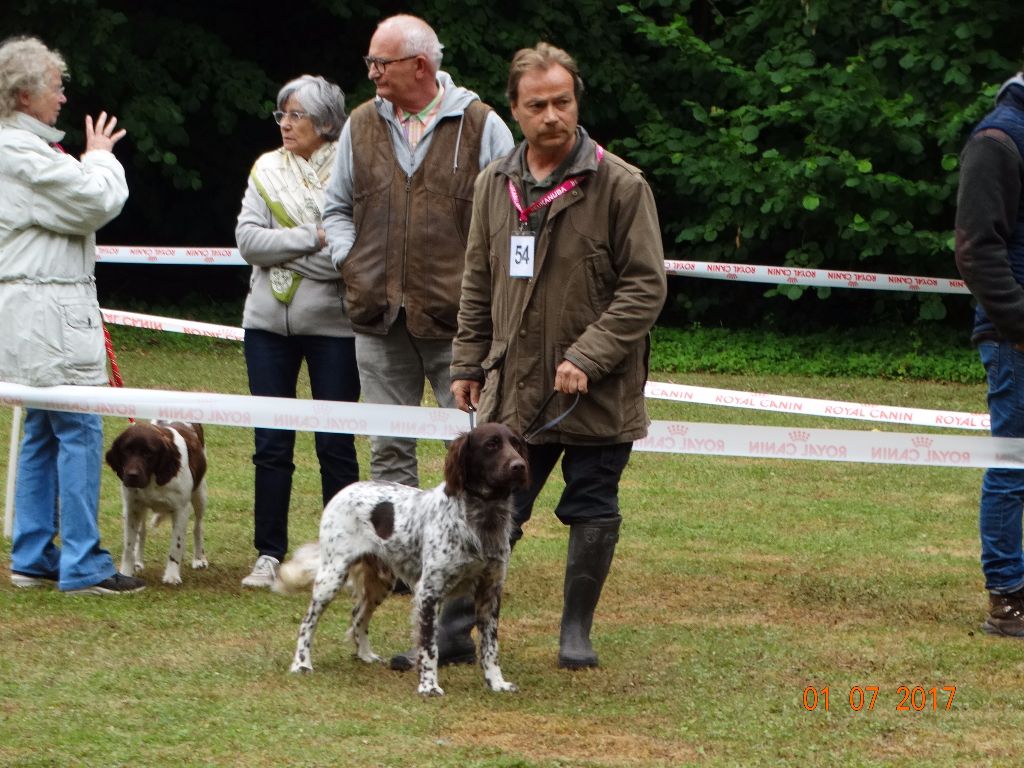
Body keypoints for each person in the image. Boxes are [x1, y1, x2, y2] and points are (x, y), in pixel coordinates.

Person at [403, 42, 667, 672]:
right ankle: (454, 633)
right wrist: (467, 362)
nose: (553, 115)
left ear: (577, 102)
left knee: (593, 507)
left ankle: (575, 631)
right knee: (493, 505)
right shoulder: (495, 183)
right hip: (518, 385)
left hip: (598, 386)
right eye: (538, 104)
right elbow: (477, 279)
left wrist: (590, 354)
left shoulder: (621, 184)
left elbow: (645, 286)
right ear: (516, 112)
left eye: (564, 102)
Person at [322, 14, 514, 489]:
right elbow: (335, 208)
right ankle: (397, 559)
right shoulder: (360, 124)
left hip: (462, 326)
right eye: (371, 61)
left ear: (421, 66)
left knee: (475, 448)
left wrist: (487, 299)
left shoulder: (483, 126)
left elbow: (512, 223)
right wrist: (352, 263)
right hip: (378, 320)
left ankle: (473, 558)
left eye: (381, 62)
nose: (372, 72)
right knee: (387, 450)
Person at [0, 35, 143, 594]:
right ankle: (83, 561)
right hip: (49, 311)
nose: (62, 97)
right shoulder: (23, 153)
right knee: (81, 427)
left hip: (33, 310)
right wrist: (101, 158)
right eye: (56, 87)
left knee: (40, 428)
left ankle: (33, 553)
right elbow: (96, 202)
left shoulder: (19, 148)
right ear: (27, 94)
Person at [235, 75, 360, 588]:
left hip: (335, 328)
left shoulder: (351, 171)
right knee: (271, 443)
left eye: (297, 116)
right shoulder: (266, 169)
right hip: (266, 325)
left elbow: (348, 258)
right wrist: (311, 236)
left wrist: (285, 249)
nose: (285, 124)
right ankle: (269, 553)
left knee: (334, 443)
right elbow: (247, 241)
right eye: (281, 115)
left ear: (326, 124)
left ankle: (349, 552)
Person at [954, 70, 1024, 636]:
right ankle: (1009, 599)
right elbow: (977, 249)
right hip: (1015, 339)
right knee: (1013, 465)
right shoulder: (997, 140)